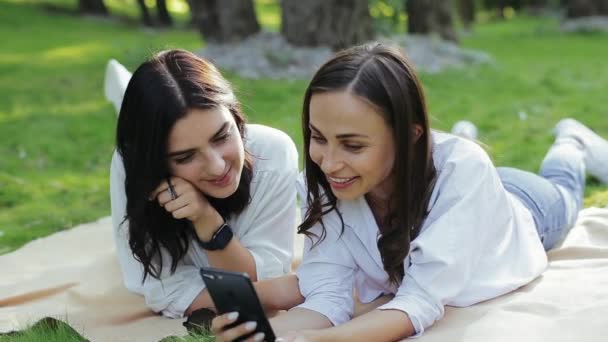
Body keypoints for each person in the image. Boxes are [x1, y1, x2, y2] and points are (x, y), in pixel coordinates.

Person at [211, 43, 608, 341]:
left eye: (352, 145)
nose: (328, 162)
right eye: (318, 138)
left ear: (410, 137)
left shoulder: (462, 170)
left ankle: (572, 143)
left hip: (524, 209)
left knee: (564, 190)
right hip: (461, 189)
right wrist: (268, 335)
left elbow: (418, 304)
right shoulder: (333, 183)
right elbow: (327, 296)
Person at [109, 49, 299, 319]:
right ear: (156, 165)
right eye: (186, 156)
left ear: (235, 116)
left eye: (222, 136)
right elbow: (160, 289)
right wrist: (277, 293)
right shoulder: (130, 167)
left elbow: (262, 277)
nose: (218, 166)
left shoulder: (272, 152)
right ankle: (121, 92)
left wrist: (207, 220)